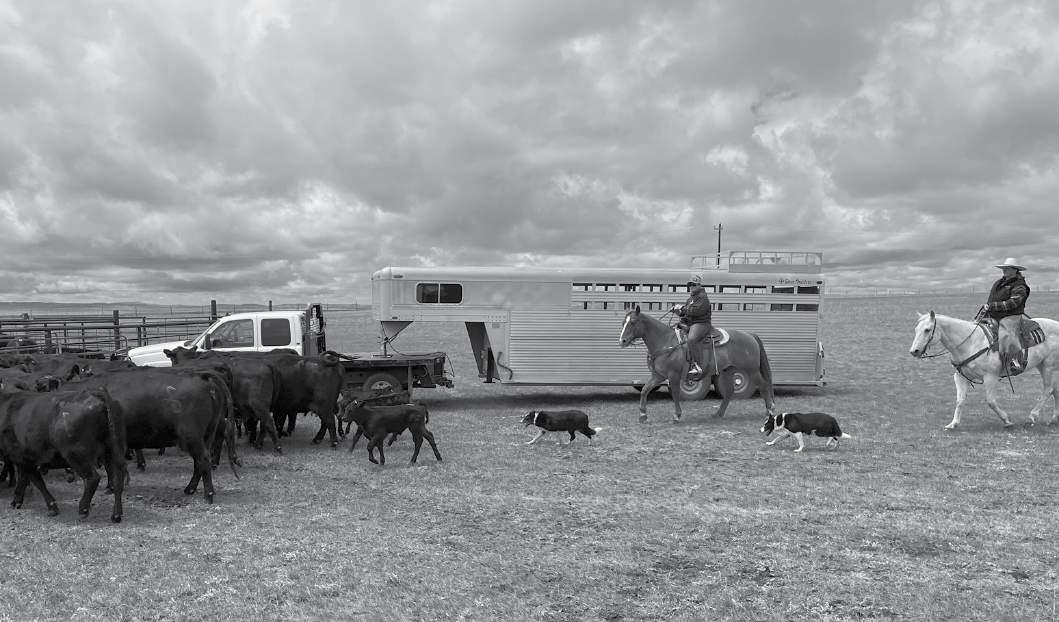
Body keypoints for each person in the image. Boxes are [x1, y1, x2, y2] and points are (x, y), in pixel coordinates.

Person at [985, 258, 1030, 372]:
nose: (1004, 270)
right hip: (994, 314)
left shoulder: (1020, 285)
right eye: (1003, 268)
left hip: (1011, 315)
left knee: (1006, 334)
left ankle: (1015, 361)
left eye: (1007, 268)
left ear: (1015, 270)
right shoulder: (998, 283)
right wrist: (987, 310)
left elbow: (1014, 302)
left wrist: (993, 306)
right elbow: (991, 299)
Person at [673, 275, 712, 380]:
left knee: (691, 339)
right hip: (691, 323)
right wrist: (678, 312)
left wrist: (682, 308)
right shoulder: (690, 299)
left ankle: (698, 365)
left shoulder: (702, 297)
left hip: (701, 324)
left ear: (699, 285)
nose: (691, 287)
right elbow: (686, 313)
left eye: (694, 285)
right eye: (690, 285)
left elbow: (695, 311)